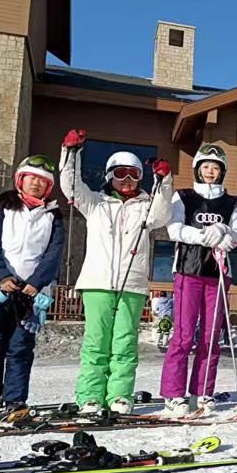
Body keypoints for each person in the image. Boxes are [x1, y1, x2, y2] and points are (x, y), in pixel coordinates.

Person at [60, 129, 172, 414]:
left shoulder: (146, 207)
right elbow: (70, 186)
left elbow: (163, 213)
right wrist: (71, 152)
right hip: (97, 282)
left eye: (134, 174)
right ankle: (90, 396)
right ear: (110, 175)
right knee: (96, 342)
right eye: (121, 173)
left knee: (124, 343)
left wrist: (164, 180)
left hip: (132, 284)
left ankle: (120, 395)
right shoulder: (95, 203)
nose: (127, 179)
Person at [0, 155, 64, 415]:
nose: (36, 183)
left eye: (43, 181)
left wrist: (37, 283)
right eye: (31, 178)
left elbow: (53, 254)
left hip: (31, 292)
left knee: (21, 347)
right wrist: (2, 277)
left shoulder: (53, 214)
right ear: (20, 180)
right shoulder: (3, 206)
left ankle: (15, 400)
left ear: (48, 187)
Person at [160, 144, 237, 417]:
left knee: (210, 337)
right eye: (206, 166)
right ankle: (173, 394)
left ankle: (202, 391)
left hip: (217, 274)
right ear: (198, 168)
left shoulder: (230, 203)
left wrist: (224, 231)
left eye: (215, 167)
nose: (210, 172)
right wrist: (203, 235)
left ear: (222, 171)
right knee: (184, 335)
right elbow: (174, 229)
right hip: (188, 270)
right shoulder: (184, 196)